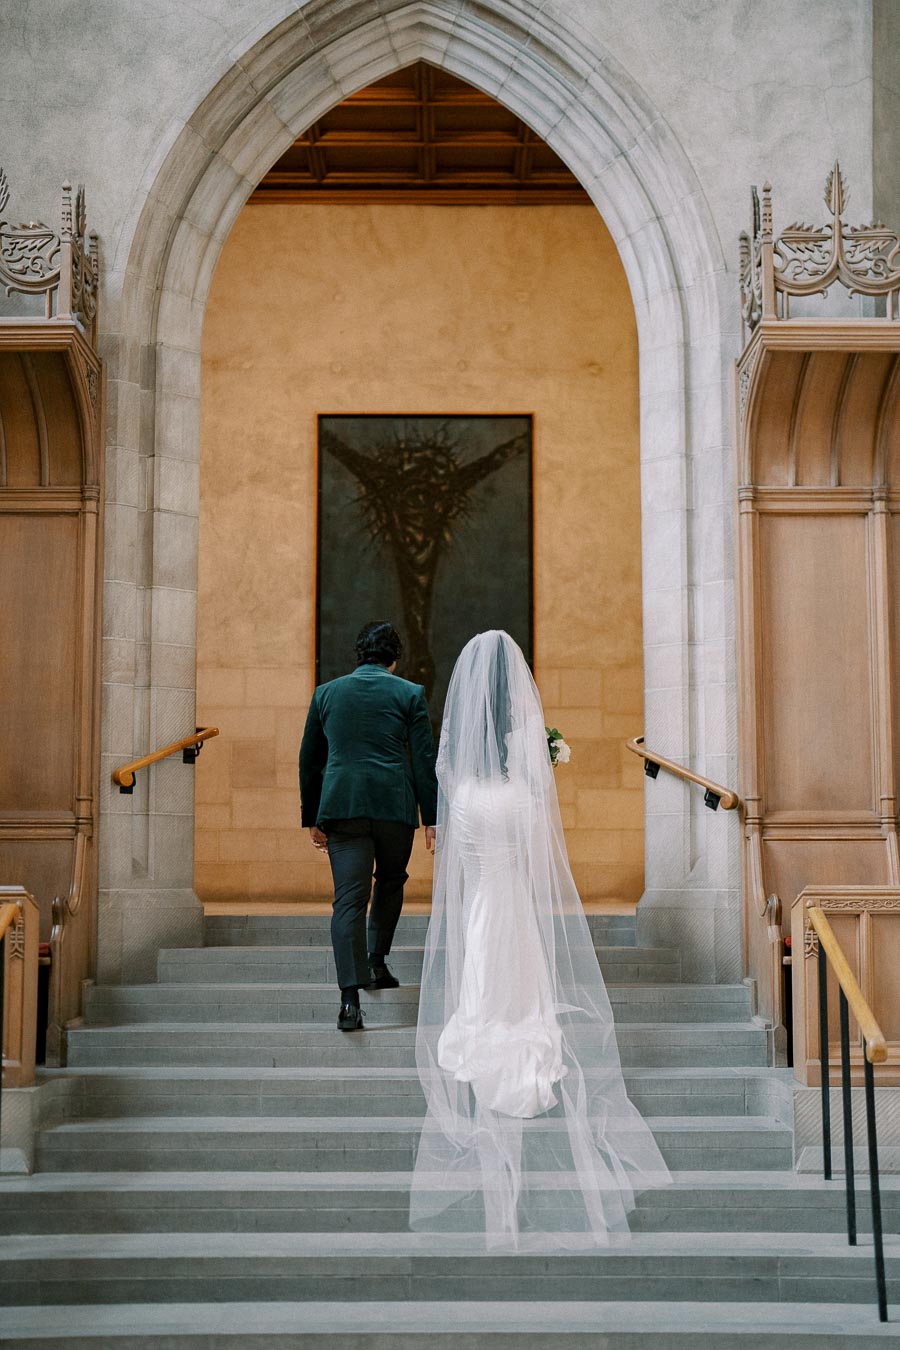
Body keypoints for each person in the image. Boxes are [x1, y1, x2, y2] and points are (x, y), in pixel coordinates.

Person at [409, 630, 671, 1249]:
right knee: (524, 987)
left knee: (479, 979)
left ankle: (482, 1021)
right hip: (516, 905)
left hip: (478, 903)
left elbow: (463, 862)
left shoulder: (462, 792)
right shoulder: (525, 795)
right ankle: (516, 1023)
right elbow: (532, 863)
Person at [299, 621, 438, 1031]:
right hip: (394, 804)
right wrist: (432, 817)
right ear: (394, 659)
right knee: (392, 879)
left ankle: (349, 1001)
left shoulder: (326, 693)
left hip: (342, 806)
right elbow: (423, 760)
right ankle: (377, 961)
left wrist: (311, 817)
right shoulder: (409, 693)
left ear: (358, 655)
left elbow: (309, 759)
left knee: (348, 900)